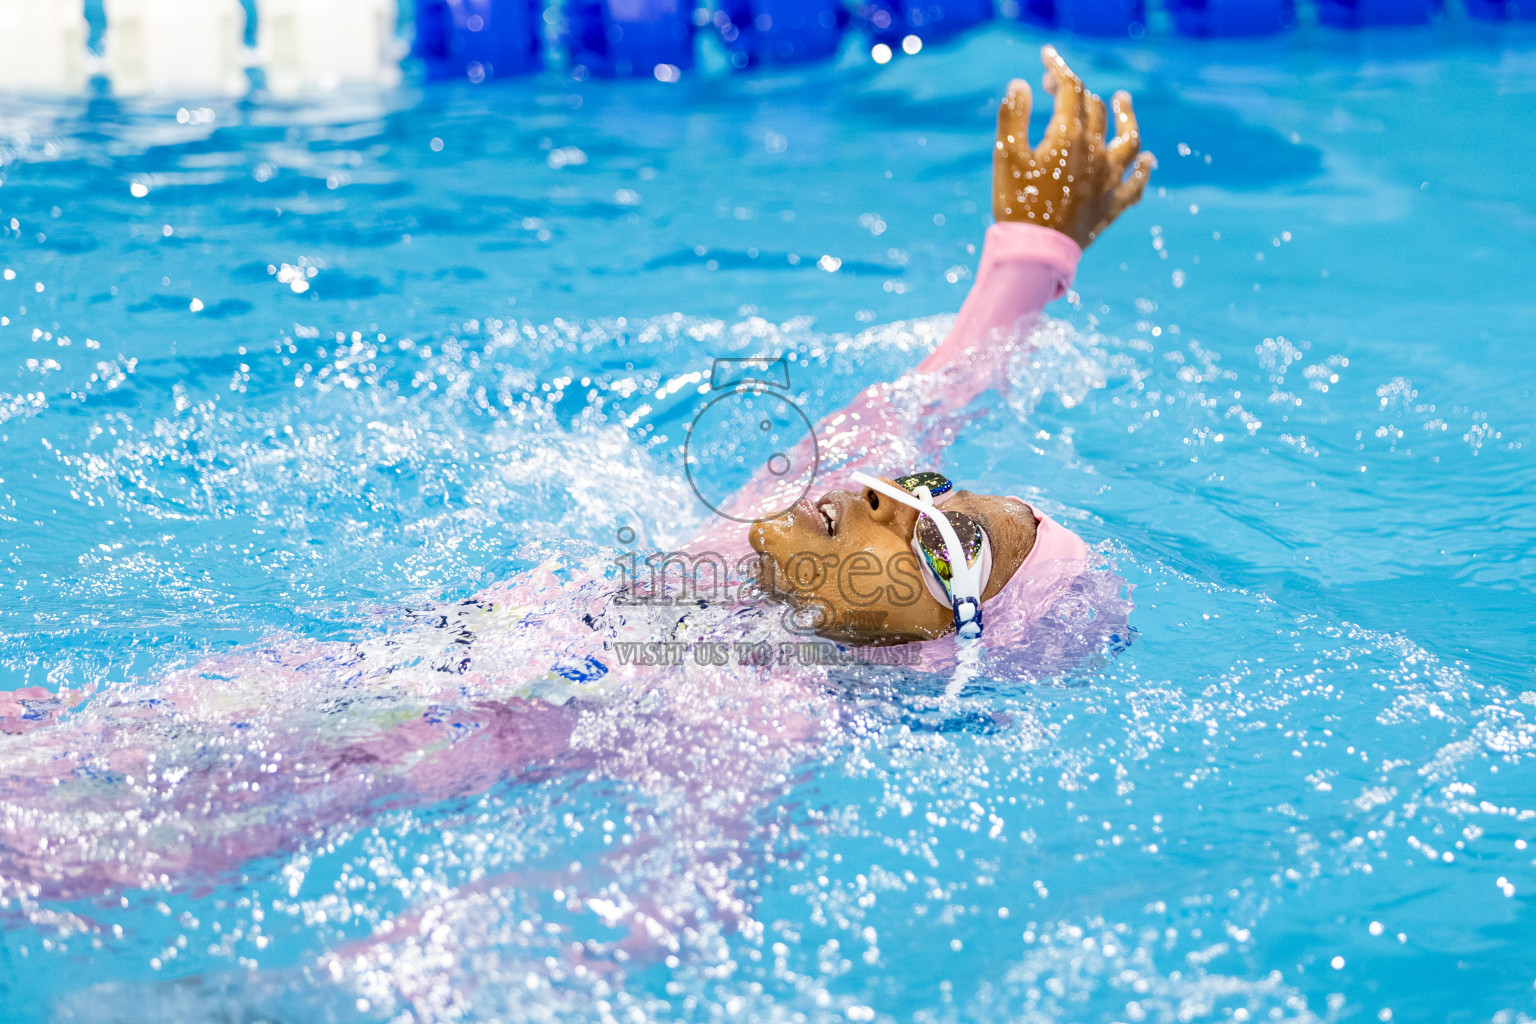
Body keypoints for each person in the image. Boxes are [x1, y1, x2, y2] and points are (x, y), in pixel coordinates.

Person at [0, 47, 1147, 909]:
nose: (893, 496)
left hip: (191, 821)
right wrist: (1037, 245)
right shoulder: (741, 537)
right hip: (183, 705)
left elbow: (657, 907)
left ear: (934, 648)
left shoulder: (762, 711)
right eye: (927, 483)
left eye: (942, 540)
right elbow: (937, 388)